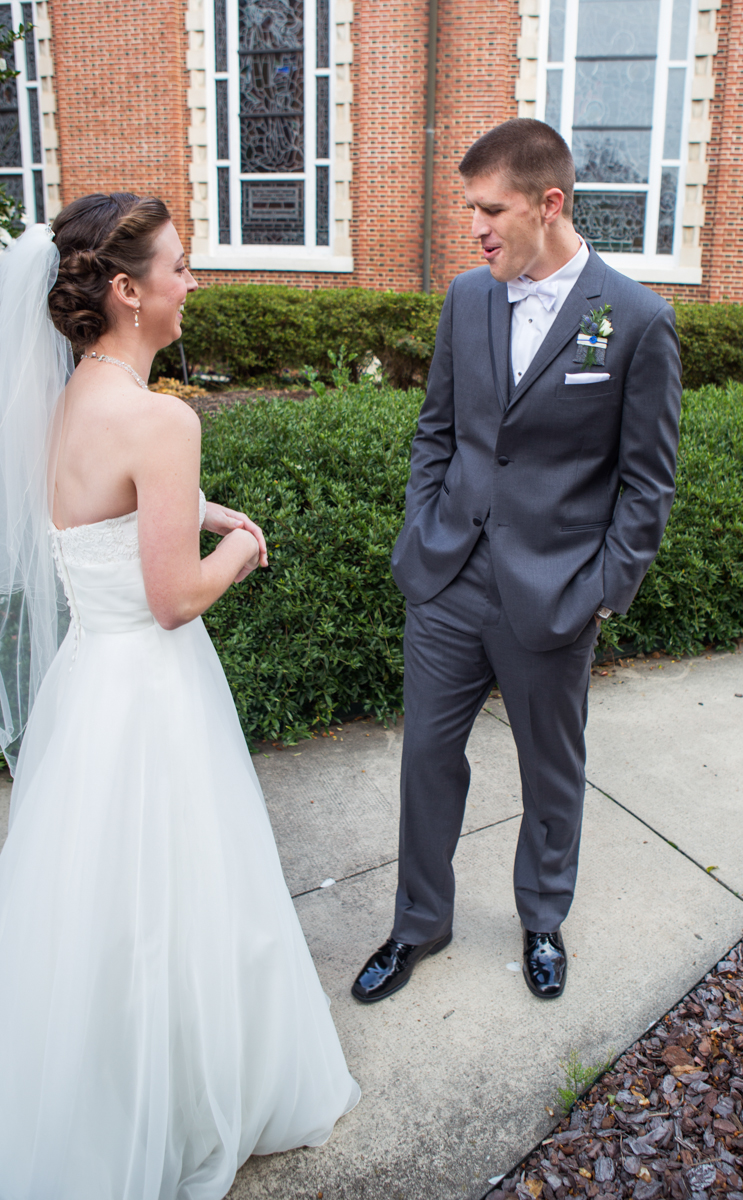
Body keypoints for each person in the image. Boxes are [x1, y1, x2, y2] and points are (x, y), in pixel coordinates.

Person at [0, 194, 359, 1198]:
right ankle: (189, 1100)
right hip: (154, 695)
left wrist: (202, 507)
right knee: (186, 896)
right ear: (128, 290)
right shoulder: (163, 418)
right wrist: (242, 547)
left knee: (98, 908)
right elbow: (174, 600)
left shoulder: (69, 396)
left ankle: (101, 1096)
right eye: (179, 266)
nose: (192, 283)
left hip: (89, 690)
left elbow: (109, 502)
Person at [352, 119, 682, 1005]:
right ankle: (420, 922)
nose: (476, 229)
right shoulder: (467, 298)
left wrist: (603, 592)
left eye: (491, 210)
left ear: (549, 204)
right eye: (470, 209)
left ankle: (542, 916)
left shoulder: (636, 320)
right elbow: (437, 431)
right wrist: (423, 529)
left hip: (554, 594)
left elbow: (648, 482)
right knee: (428, 758)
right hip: (448, 578)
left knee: (550, 770)